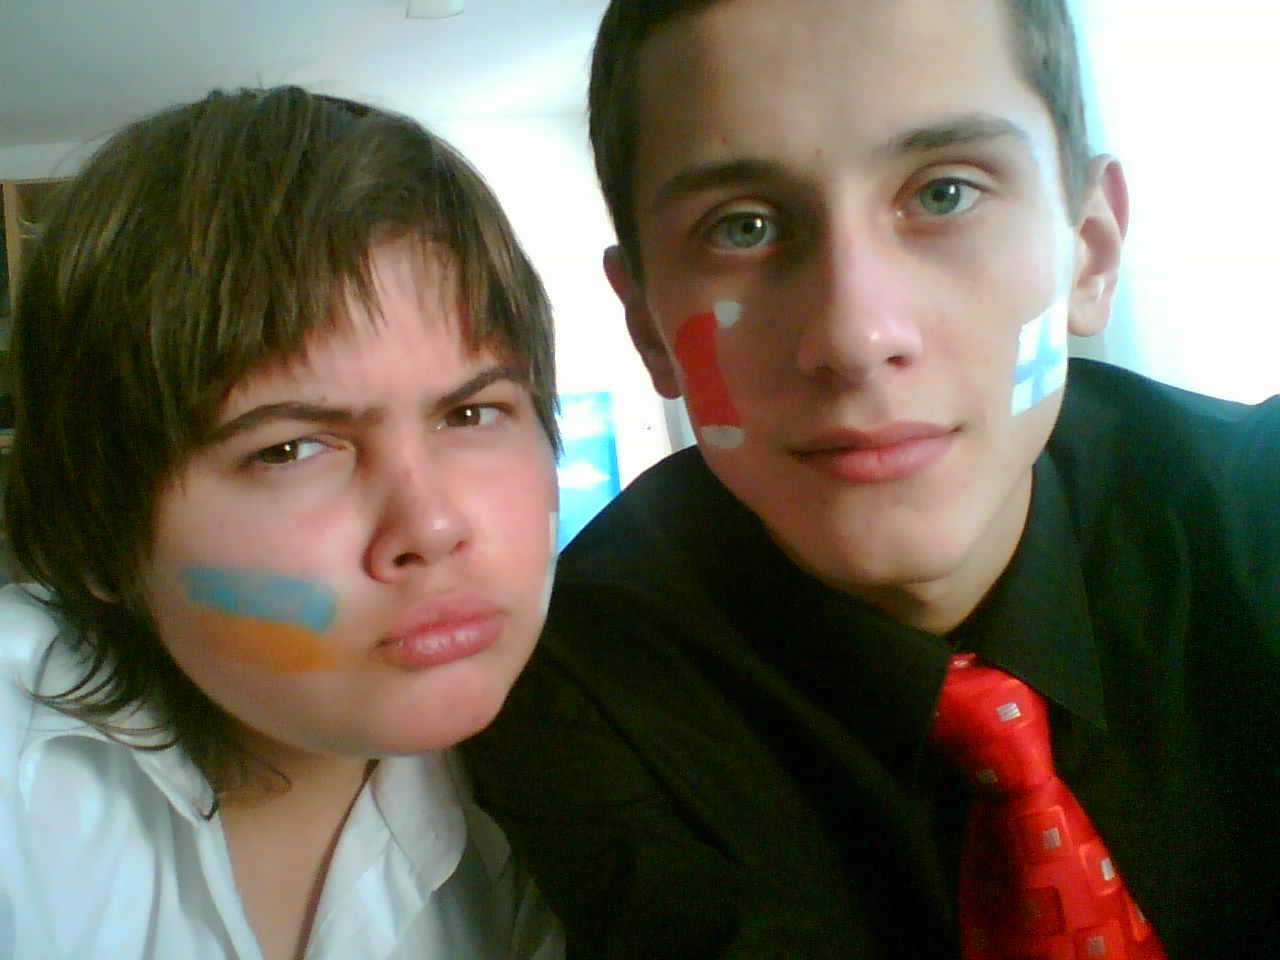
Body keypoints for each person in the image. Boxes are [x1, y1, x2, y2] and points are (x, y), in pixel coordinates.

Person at [461, 0, 1280, 956]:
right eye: (743, 226)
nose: (855, 337)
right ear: (648, 327)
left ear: (1088, 253)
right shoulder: (581, 692)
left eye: (946, 194)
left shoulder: (1256, 508)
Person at [0, 86, 564, 959]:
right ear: (102, 534)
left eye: (470, 413)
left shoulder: (612, 774)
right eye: (290, 449)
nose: (433, 526)